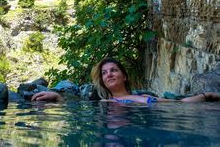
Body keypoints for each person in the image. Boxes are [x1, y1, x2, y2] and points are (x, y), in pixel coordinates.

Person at [31, 56, 220, 103]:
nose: (109, 74)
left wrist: (208, 95)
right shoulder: (104, 102)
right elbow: (76, 107)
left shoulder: (144, 97)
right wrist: (56, 97)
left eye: (113, 70)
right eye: (104, 73)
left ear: (124, 76)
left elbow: (178, 104)